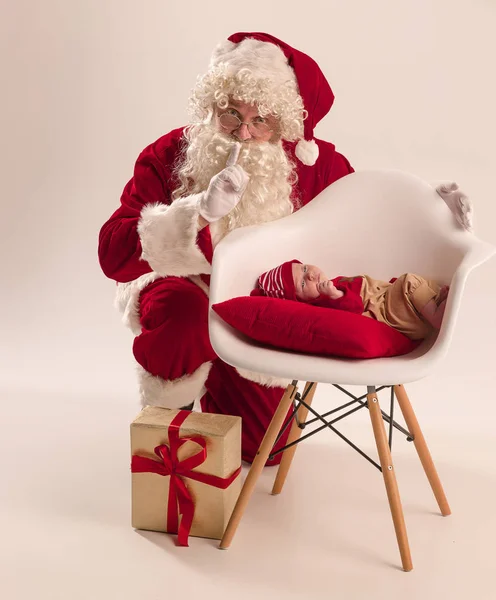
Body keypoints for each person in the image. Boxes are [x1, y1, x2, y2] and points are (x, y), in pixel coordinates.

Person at [98, 32, 472, 465]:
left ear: (286, 120)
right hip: (185, 294)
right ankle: (170, 423)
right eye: (231, 114)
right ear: (212, 105)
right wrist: (195, 214)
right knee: (184, 312)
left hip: (260, 311)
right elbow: (113, 254)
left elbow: (368, 224)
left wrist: (435, 215)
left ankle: (224, 386)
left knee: (262, 452)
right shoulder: (171, 153)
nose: (244, 132)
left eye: (263, 120)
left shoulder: (321, 166)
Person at [253, 260, 449, 340]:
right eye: (303, 285)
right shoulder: (324, 301)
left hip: (391, 301)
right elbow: (353, 309)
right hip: (387, 314)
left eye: (304, 269)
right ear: (302, 301)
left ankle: (433, 304)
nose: (311, 276)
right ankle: (434, 316)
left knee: (418, 284)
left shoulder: (331, 284)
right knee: (409, 281)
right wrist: (335, 295)